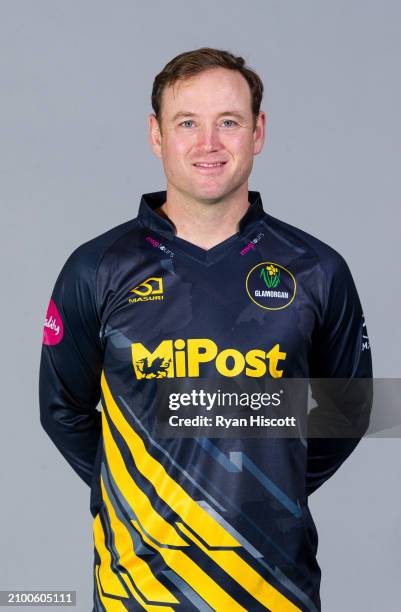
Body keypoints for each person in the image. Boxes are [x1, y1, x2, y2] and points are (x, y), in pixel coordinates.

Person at [39, 47, 373, 612]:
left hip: (275, 593)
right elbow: (62, 411)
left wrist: (269, 490)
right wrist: (136, 492)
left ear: (258, 131)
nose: (208, 143)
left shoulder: (317, 269)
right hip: (136, 595)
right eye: (187, 122)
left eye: (229, 122)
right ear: (156, 134)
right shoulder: (96, 268)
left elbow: (346, 411)